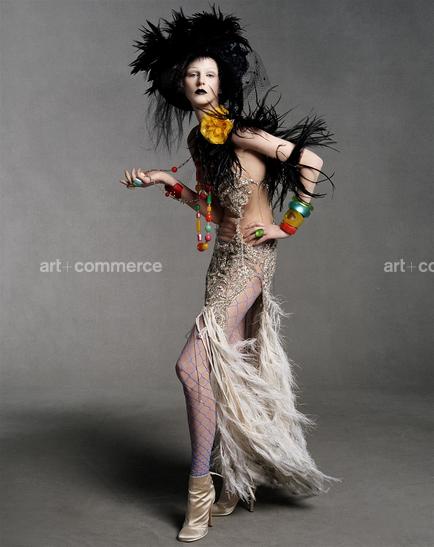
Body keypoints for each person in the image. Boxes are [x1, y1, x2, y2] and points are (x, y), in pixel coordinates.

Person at [120, 5, 341, 543]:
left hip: (250, 261)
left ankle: (198, 491)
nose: (200, 81)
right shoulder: (201, 141)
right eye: (192, 75)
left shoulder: (242, 131)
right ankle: (233, 482)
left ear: (223, 82)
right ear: (180, 84)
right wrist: (164, 181)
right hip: (220, 262)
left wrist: (289, 223)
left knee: (191, 365)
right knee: (223, 375)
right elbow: (213, 208)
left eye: (210, 74)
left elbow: (309, 161)